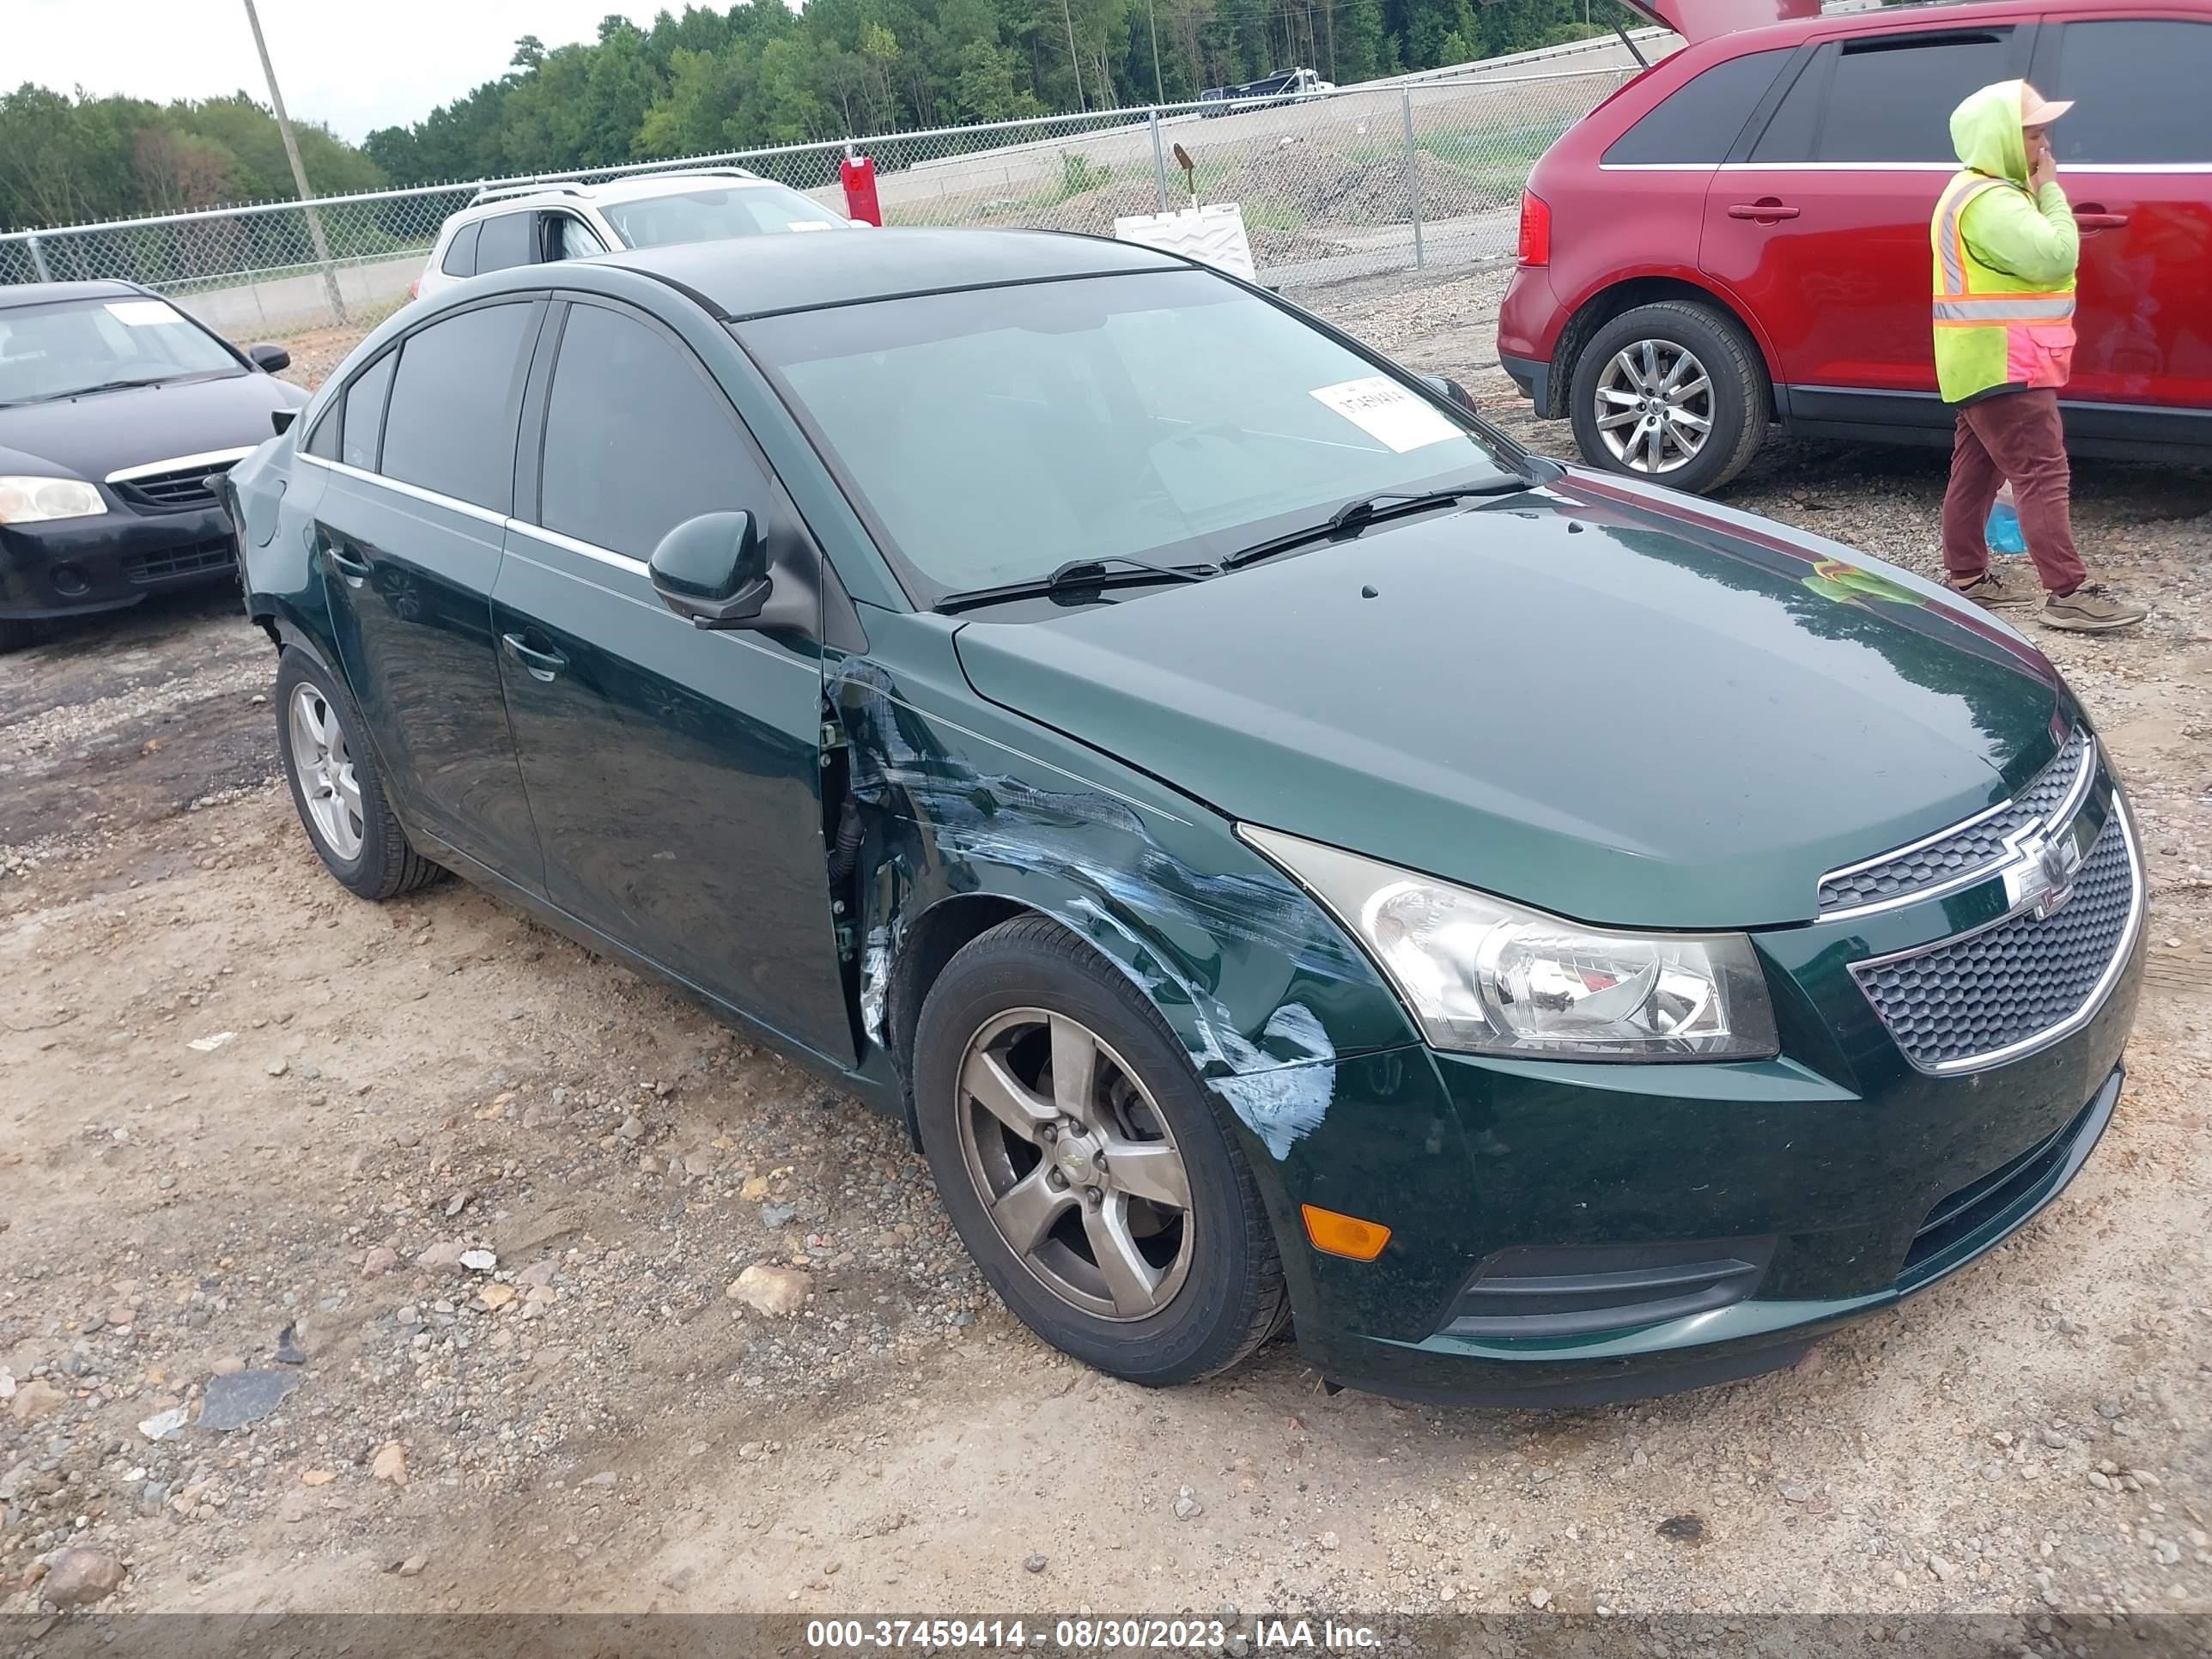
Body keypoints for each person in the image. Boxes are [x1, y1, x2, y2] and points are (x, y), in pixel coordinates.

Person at [1931, 81, 2148, 633]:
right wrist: (2051, 191)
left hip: (1981, 360)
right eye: (2033, 134)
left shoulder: (1971, 191)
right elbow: (2054, 257)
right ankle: (2068, 592)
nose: (2044, 145)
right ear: (2001, 138)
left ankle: (1967, 577)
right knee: (2042, 471)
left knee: (1977, 472)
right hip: (2008, 361)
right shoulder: (1994, 200)